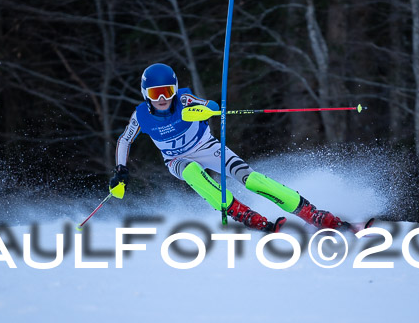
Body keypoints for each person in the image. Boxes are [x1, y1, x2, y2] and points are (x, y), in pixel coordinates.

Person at [110, 63, 350, 232]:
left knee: (251, 179)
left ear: (174, 89)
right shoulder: (140, 116)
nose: (162, 98)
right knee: (192, 172)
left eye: (167, 92)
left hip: (207, 147)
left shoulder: (184, 101)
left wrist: (208, 109)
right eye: (155, 93)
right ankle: (240, 212)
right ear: (145, 94)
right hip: (176, 160)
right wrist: (121, 170)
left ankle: (309, 212)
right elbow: (124, 140)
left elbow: (210, 104)